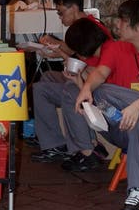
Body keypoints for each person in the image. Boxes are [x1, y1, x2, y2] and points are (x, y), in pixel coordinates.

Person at [72, 0, 139, 210]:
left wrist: (137, 107)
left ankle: (138, 191)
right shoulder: (116, 48)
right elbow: (100, 73)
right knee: (101, 91)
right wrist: (85, 88)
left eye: (123, 20)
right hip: (119, 127)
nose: (117, 24)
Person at [31, 16, 111, 164]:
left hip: (96, 92)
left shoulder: (106, 51)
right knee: (48, 77)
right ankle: (54, 140)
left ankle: (79, 147)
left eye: (61, 12)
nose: (60, 17)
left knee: (51, 89)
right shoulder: (97, 38)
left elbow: (95, 77)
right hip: (89, 85)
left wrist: (78, 77)